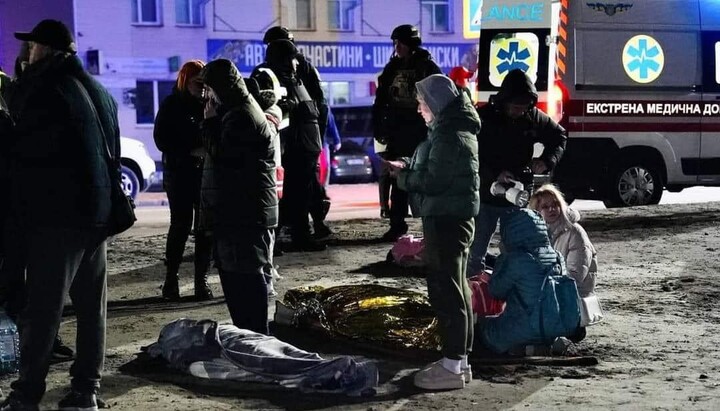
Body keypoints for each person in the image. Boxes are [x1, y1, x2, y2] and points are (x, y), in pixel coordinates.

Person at [0, 19, 118, 411]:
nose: (24, 55)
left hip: (57, 218)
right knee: (91, 310)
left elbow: (22, 154)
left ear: (45, 51)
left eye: (30, 48)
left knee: (43, 311)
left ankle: (26, 395)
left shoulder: (44, 90)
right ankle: (87, 391)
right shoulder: (98, 90)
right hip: (97, 216)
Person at [388, 74, 480, 390]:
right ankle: (458, 362)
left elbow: (435, 182)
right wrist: (409, 165)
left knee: (447, 290)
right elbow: (436, 170)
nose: (418, 109)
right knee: (456, 288)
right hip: (451, 217)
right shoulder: (450, 132)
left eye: (422, 102)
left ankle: (453, 365)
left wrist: (404, 178)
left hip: (446, 219)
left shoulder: (449, 135)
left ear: (435, 104)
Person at [0, 40, 75, 365]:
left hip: (19, 211)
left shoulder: (16, 109)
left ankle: (34, 341)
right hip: (15, 211)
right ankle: (31, 342)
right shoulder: (10, 115)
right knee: (20, 282)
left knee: (23, 282)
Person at [198, 58, 277, 334]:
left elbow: (225, 157)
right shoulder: (235, 112)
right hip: (238, 211)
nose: (206, 96)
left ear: (221, 87)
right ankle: (251, 336)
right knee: (236, 274)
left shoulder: (241, 115)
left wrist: (208, 124)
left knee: (244, 275)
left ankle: (257, 339)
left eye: (209, 89)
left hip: (243, 211)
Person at [467, 68, 567, 276]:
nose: (519, 111)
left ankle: (513, 289)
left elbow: (559, 136)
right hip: (487, 193)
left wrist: (547, 160)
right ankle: (474, 292)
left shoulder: (533, 116)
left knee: (518, 247)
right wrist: (494, 174)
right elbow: (471, 154)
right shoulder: (484, 117)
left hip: (519, 194)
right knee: (477, 248)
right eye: (515, 107)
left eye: (523, 107)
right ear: (504, 101)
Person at [254, 26, 333, 242]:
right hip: (286, 144)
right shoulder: (267, 74)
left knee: (306, 187)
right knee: (290, 189)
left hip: (303, 142)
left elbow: (319, 108)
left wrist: (317, 138)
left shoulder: (302, 72)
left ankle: (307, 227)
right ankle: (290, 231)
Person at [373, 24, 442, 242]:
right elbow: (382, 99)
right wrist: (379, 127)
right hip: (397, 129)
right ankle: (397, 223)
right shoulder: (392, 67)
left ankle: (431, 224)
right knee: (397, 176)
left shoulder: (427, 66)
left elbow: (440, 95)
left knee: (426, 174)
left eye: (401, 43)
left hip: (421, 128)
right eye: (395, 43)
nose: (397, 47)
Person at [478, 209, 580, 354]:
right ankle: (545, 344)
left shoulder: (518, 259)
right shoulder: (556, 257)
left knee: (481, 328)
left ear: (511, 232)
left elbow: (496, 291)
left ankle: (522, 347)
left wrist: (503, 259)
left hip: (526, 326)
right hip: (554, 325)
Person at [153, 60, 213, 301]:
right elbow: (161, 139)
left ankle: (201, 281)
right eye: (197, 82)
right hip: (180, 173)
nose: (201, 87)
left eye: (204, 83)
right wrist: (190, 150)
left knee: (204, 229)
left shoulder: (208, 104)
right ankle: (171, 279)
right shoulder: (172, 105)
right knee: (180, 225)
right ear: (185, 81)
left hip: (202, 173)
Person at [529, 184, 597, 297]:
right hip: (549, 288)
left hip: (574, 292)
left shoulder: (574, 232)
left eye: (555, 204)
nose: (552, 209)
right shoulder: (534, 234)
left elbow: (576, 275)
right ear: (536, 211)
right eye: (545, 206)